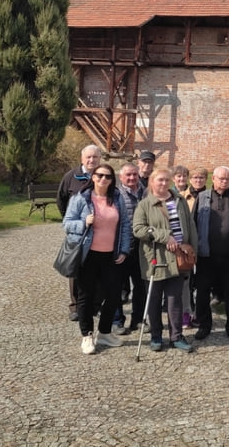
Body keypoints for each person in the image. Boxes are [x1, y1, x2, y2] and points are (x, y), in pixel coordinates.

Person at [62, 163, 131, 354]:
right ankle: (87, 336)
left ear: (112, 180)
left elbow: (125, 225)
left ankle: (105, 332)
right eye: (100, 175)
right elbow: (66, 224)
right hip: (87, 255)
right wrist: (83, 222)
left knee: (113, 295)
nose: (103, 179)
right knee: (86, 295)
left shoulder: (117, 198)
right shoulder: (81, 198)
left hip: (111, 256)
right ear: (93, 177)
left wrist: (124, 250)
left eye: (108, 177)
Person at [132, 168, 198, 352]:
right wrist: (163, 236)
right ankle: (156, 336)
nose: (163, 183)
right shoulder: (145, 204)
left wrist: (194, 252)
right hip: (155, 257)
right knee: (153, 299)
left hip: (179, 258)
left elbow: (191, 226)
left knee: (174, 299)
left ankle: (176, 336)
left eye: (166, 180)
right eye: (159, 180)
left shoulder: (180, 201)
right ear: (152, 182)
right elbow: (138, 229)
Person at [194, 166, 229, 343]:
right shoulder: (202, 197)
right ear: (213, 179)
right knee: (203, 292)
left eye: (227, 179)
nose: (224, 182)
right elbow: (193, 223)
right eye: (221, 178)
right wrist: (191, 249)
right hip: (206, 255)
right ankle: (204, 325)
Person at [57, 144, 102, 322]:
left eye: (95, 157)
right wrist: (73, 221)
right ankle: (75, 306)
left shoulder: (103, 175)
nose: (92, 160)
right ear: (82, 159)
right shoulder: (71, 177)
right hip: (78, 232)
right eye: (88, 157)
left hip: (100, 232)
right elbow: (61, 199)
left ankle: (94, 304)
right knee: (76, 269)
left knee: (97, 269)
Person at [114, 162, 146, 334]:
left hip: (142, 248)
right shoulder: (116, 194)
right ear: (121, 177)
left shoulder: (146, 192)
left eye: (135, 174)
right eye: (128, 175)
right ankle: (118, 320)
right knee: (117, 286)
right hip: (122, 248)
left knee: (141, 286)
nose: (132, 178)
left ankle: (138, 319)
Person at [179, 166, 207, 327]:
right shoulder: (182, 197)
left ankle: (199, 313)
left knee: (202, 282)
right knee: (186, 282)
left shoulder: (209, 196)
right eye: (195, 177)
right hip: (187, 245)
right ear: (190, 179)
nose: (198, 180)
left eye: (201, 178)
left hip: (203, 244)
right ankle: (186, 313)